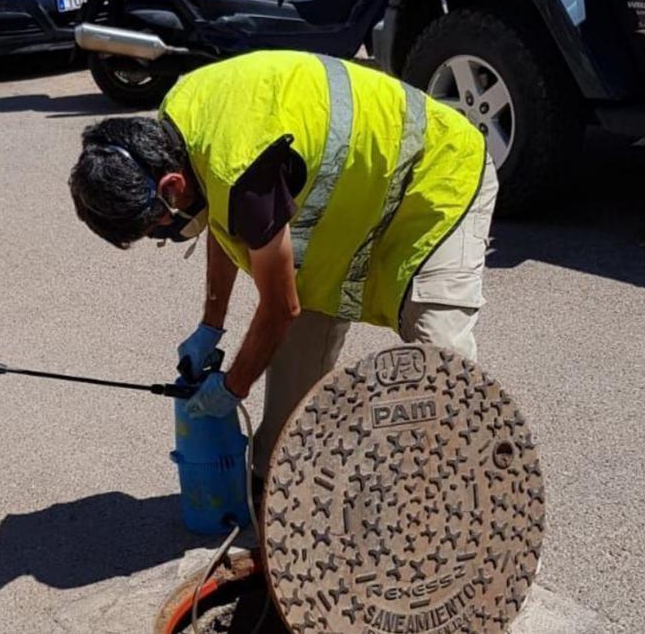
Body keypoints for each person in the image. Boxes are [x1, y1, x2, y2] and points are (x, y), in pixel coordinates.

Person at [68, 50, 498, 478]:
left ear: (171, 186)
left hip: (436, 177)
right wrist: (210, 326)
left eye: (157, 224)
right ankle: (289, 489)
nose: (165, 231)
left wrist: (233, 386)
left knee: (440, 359)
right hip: (357, 205)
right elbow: (222, 218)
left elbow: (280, 307)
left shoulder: (242, 170)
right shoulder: (176, 128)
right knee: (282, 443)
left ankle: (468, 483)